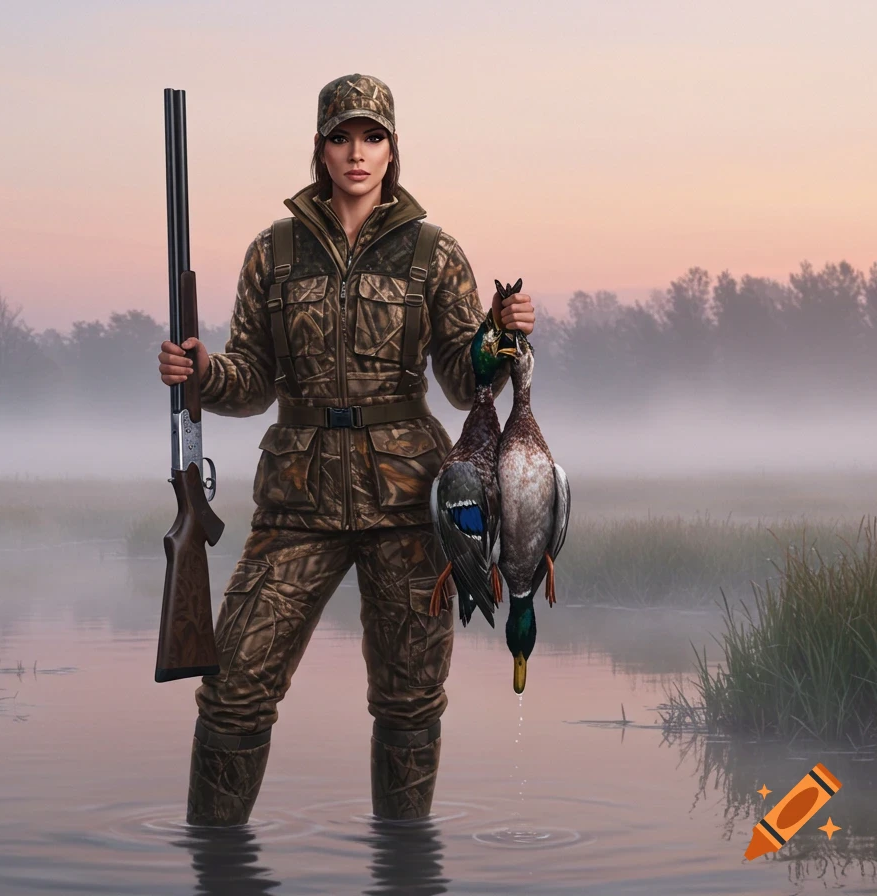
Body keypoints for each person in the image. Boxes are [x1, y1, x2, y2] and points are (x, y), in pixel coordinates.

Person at [157, 73, 535, 825]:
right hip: (296, 498)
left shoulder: (436, 252)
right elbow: (252, 381)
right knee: (234, 689)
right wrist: (201, 371)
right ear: (320, 149)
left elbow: (465, 385)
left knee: (409, 698)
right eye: (341, 137)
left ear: (394, 148)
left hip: (407, 499)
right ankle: (212, 865)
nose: (356, 153)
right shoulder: (274, 250)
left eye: (372, 137)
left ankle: (402, 863)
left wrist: (499, 336)